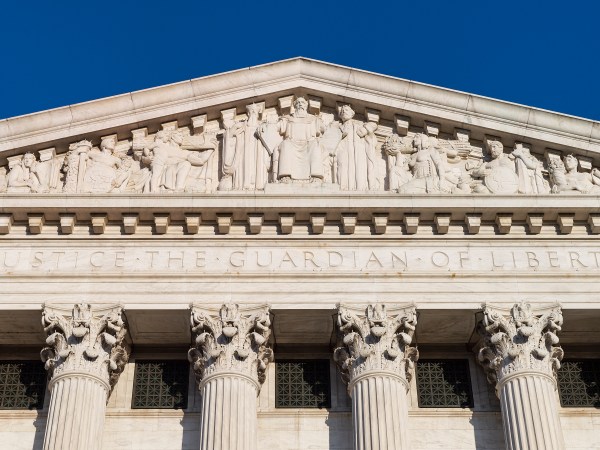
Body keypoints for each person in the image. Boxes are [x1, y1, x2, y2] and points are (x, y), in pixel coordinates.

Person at [277, 97, 325, 183]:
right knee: (285, 144)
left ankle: (316, 176)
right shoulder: (288, 118)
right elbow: (276, 128)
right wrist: (264, 125)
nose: (300, 104)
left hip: (309, 144)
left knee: (315, 144)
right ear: (295, 106)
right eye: (298, 102)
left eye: (302, 102)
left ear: (306, 105)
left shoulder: (313, 119)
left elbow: (324, 129)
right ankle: (285, 176)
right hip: (291, 143)